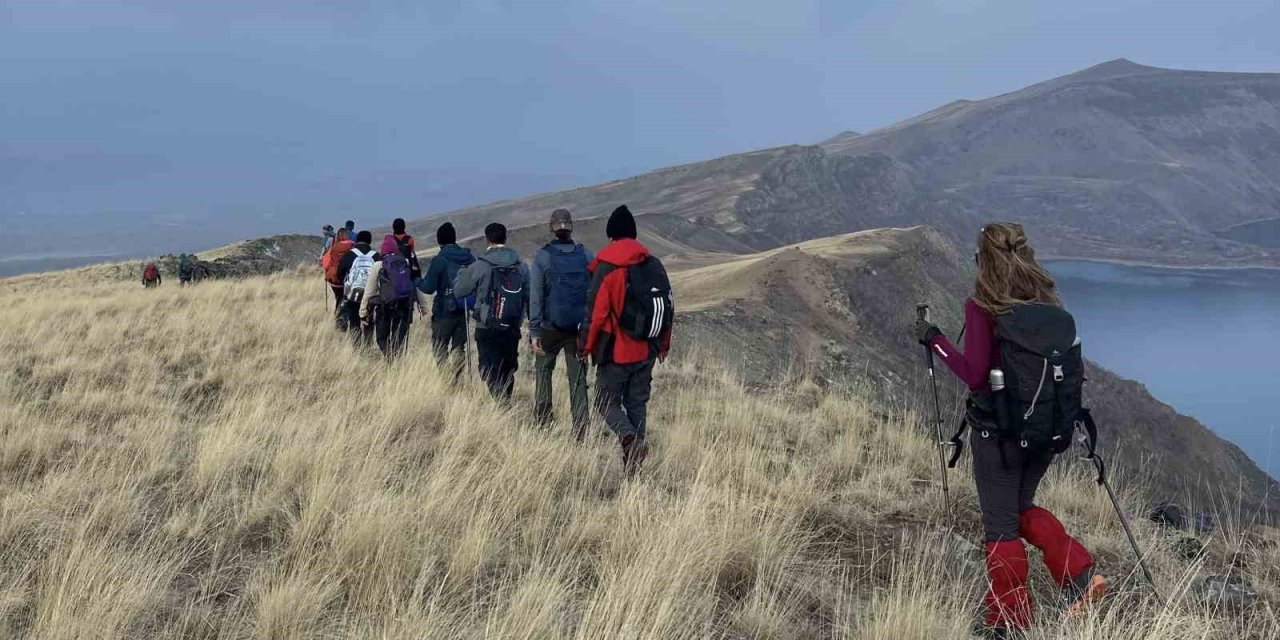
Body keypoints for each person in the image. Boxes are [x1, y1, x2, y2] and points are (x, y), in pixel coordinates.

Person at [915, 222, 1107, 638]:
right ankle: (1078, 574)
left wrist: (935, 341)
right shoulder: (1050, 304)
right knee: (1020, 508)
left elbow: (975, 374)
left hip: (998, 436)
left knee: (1000, 525)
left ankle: (1009, 622)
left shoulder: (984, 306)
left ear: (983, 260)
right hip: (1046, 433)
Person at [580, 205, 673, 471]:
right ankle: (634, 467)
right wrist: (663, 345)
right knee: (637, 403)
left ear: (611, 237)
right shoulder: (653, 264)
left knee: (604, 401)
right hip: (647, 350)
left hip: (616, 352)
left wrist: (585, 347)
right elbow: (668, 306)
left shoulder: (607, 268)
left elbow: (596, 315)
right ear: (634, 235)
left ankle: (629, 439)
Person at [529, 208, 594, 438]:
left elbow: (535, 296)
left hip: (549, 328)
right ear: (571, 227)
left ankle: (543, 424)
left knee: (543, 371)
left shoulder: (543, 257)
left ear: (552, 228)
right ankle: (581, 430)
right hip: (578, 329)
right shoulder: (586, 255)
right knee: (577, 379)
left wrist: (534, 330)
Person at [453, 223, 529, 400]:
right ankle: (505, 402)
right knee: (508, 369)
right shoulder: (521, 266)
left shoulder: (481, 265)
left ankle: (499, 404)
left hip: (487, 326)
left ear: (487, 239)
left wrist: (462, 274)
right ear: (505, 238)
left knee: (489, 368)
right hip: (512, 325)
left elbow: (459, 291)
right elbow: (529, 294)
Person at [417, 222, 475, 380]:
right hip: (464, 308)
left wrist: (416, 280)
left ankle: (447, 379)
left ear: (439, 240)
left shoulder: (439, 260)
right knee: (458, 347)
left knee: (439, 346)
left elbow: (428, 287)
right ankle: (457, 378)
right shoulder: (469, 258)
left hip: (444, 310)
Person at [360, 235, 426, 359]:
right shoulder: (404, 262)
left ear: (382, 252)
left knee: (381, 338)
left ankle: (389, 358)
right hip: (403, 306)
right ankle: (395, 359)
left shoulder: (378, 265)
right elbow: (414, 285)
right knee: (398, 337)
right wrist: (423, 306)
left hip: (384, 306)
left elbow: (369, 292)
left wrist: (363, 312)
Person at [336, 230, 378, 347]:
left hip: (353, 294)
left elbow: (339, 274)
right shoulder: (375, 255)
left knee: (354, 320)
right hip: (371, 295)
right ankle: (368, 347)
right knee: (369, 320)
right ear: (370, 241)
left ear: (357, 240)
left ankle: (356, 348)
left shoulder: (349, 254)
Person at [323, 228, 354, 325]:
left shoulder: (333, 248)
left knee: (338, 299)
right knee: (348, 300)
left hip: (334, 280)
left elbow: (326, 264)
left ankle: (338, 319)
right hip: (348, 279)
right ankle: (345, 320)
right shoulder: (353, 246)